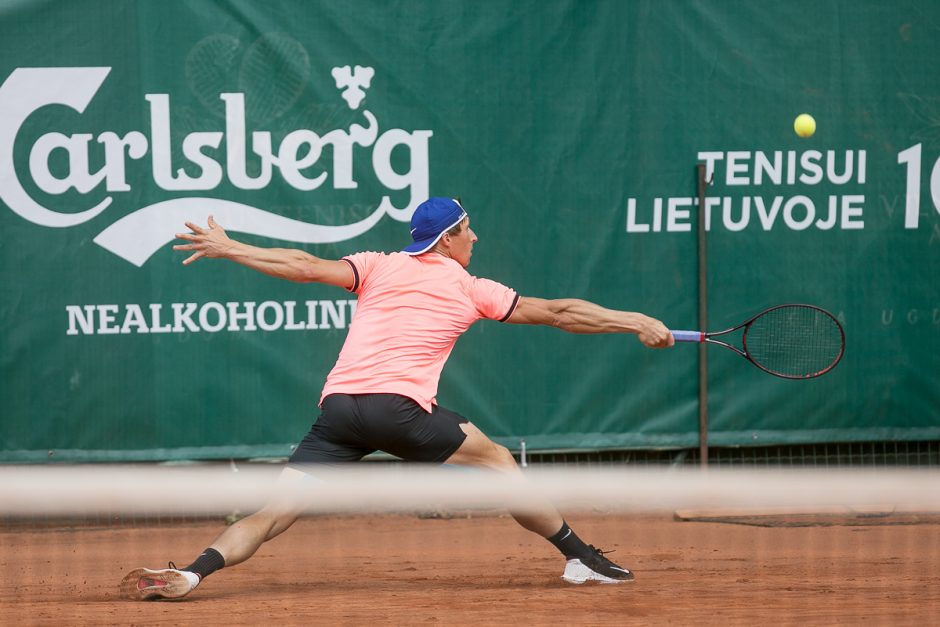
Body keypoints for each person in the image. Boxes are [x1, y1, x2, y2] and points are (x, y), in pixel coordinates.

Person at [120, 197, 674, 600]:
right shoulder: (470, 287)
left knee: (272, 514)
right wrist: (635, 321)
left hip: (338, 413)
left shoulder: (378, 266)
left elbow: (307, 267)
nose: (475, 238)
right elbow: (558, 312)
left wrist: (230, 247)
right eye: (467, 229)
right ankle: (583, 559)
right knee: (501, 462)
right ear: (447, 240)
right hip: (399, 411)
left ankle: (193, 573)